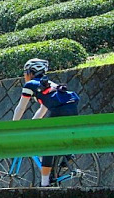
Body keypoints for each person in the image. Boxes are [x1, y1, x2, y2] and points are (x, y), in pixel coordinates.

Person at [12, 58, 80, 187]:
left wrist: (13, 125)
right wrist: (32, 124)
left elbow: (21, 107)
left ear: (31, 72)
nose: (24, 76)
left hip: (59, 110)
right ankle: (66, 157)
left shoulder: (30, 85)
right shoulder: (49, 83)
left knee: (48, 145)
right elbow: (43, 110)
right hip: (71, 107)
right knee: (58, 139)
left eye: (25, 72)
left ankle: (44, 184)